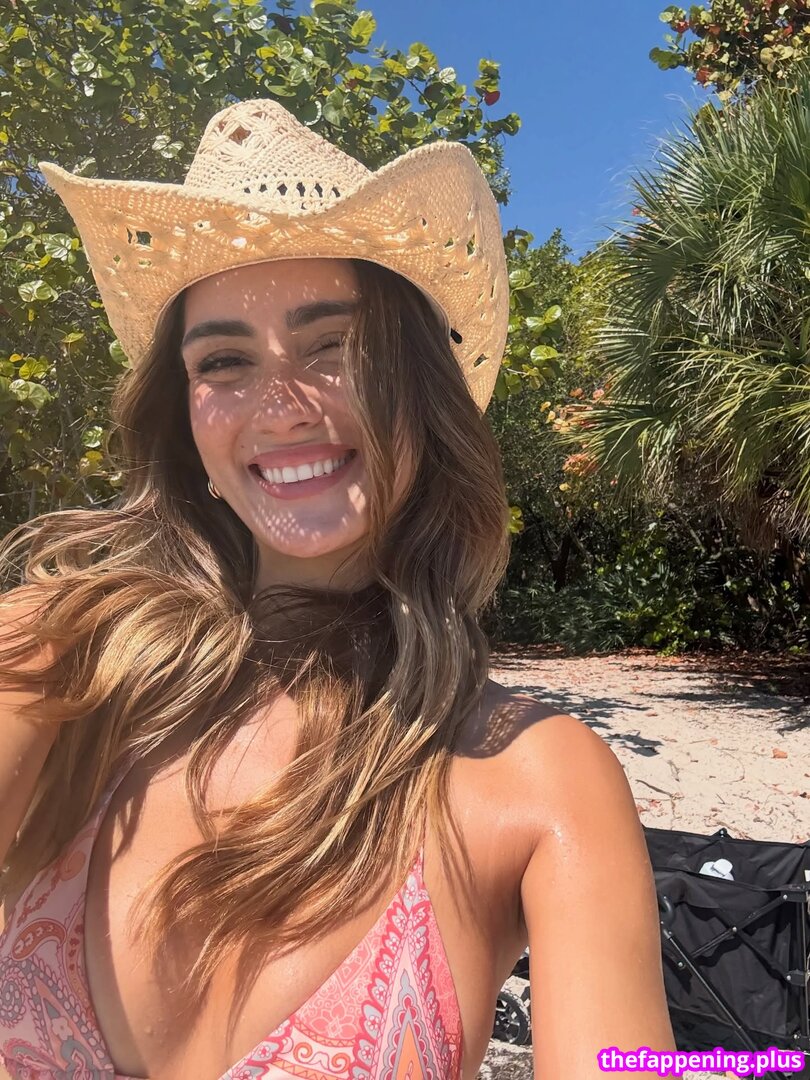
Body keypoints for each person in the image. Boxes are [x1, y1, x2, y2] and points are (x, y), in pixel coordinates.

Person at [0, 99, 675, 1079]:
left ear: (420, 390)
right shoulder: (61, 660)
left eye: (333, 345)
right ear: (185, 420)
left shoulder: (537, 779)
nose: (281, 404)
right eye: (225, 360)